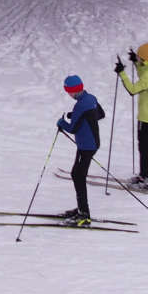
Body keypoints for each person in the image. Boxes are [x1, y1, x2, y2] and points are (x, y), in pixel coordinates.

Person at [55, 75, 104, 226]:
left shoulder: (80, 105)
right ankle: (81, 210)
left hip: (86, 146)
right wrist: (76, 116)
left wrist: (62, 122)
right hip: (92, 143)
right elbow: (100, 114)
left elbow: (72, 128)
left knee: (78, 176)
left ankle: (84, 215)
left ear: (70, 90)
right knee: (76, 174)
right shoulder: (90, 98)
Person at [114, 41, 148, 191]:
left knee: (144, 145)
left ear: (145, 58)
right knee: (147, 144)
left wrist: (122, 73)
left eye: (140, 56)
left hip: (147, 115)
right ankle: (146, 174)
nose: (138, 58)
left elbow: (133, 89)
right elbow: (144, 73)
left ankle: (145, 179)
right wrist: (137, 62)